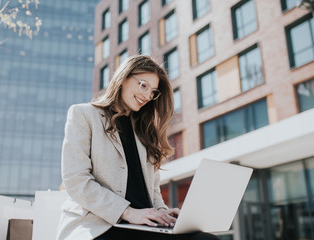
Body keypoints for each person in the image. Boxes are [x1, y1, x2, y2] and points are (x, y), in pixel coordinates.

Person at [56, 55, 219, 240]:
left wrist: (164, 213)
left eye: (153, 92)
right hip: (100, 224)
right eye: (143, 85)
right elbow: (76, 181)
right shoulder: (84, 115)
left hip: (145, 226)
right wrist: (128, 212)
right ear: (123, 78)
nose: (147, 96)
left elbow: (153, 191)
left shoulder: (145, 132)